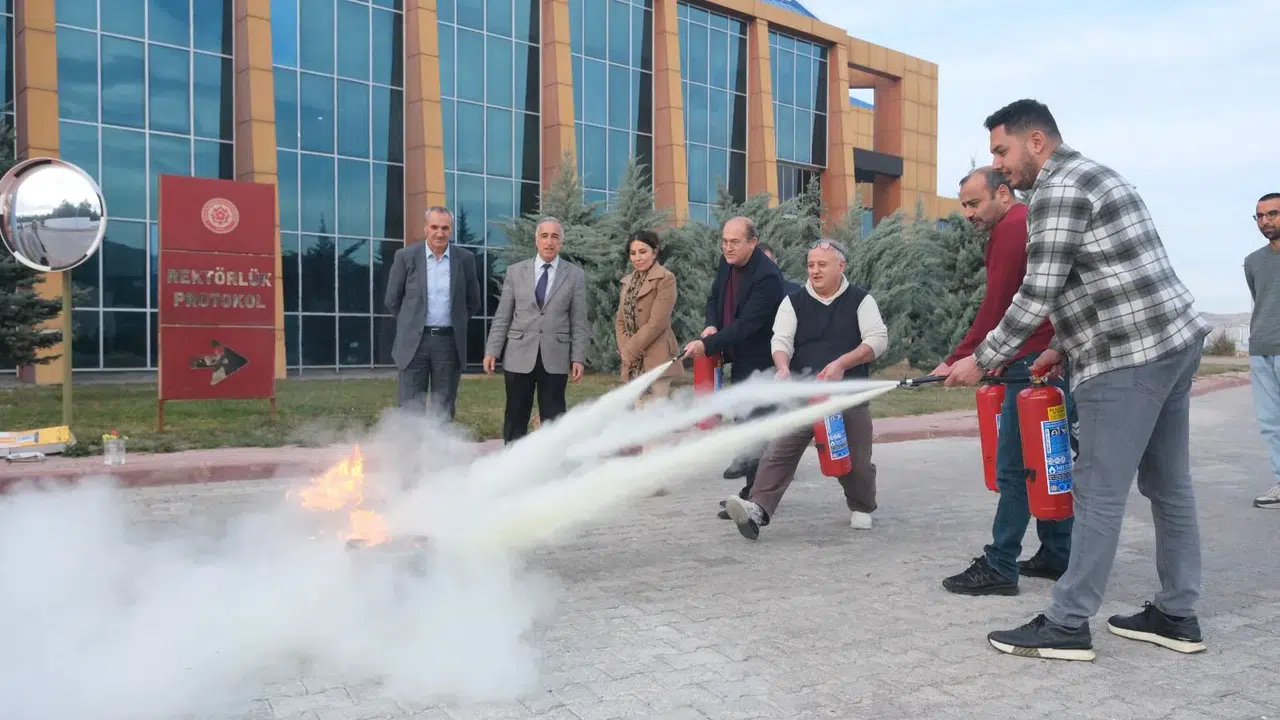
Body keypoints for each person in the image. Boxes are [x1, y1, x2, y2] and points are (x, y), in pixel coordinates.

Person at [945, 99, 1211, 661]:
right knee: (1169, 485)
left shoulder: (1059, 191)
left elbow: (1038, 290)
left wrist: (985, 357)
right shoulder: (1098, 175)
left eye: (1001, 150)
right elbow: (1109, 275)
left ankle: (1067, 623)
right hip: (1172, 342)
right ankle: (1177, 613)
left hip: (1128, 357)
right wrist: (1061, 347)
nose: (999, 163)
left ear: (1035, 140)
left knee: (1096, 490)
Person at [935, 166, 1077, 596]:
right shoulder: (1023, 222)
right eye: (964, 205)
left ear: (1003, 193)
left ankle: (999, 565)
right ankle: (1057, 554)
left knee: (1016, 467)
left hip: (1030, 361)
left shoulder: (1012, 228)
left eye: (975, 203)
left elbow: (998, 304)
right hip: (1045, 359)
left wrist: (961, 357)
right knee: (1048, 461)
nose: (968, 213)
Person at [723, 240, 889, 539]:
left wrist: (842, 363)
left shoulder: (861, 300)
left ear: (841, 266)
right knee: (778, 452)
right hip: (802, 396)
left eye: (822, 265)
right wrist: (783, 366)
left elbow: (877, 340)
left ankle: (862, 505)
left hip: (848, 396)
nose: (814, 271)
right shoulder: (794, 302)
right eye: (810, 265)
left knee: (857, 463)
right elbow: (781, 340)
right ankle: (757, 510)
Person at [682, 216, 784, 517]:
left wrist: (707, 346)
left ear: (752, 242)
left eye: (734, 242)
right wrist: (711, 325)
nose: (727, 247)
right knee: (744, 424)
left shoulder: (768, 278)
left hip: (761, 361)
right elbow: (714, 298)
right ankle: (751, 491)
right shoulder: (727, 263)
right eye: (724, 241)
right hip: (738, 357)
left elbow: (746, 326)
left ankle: (755, 500)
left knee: (756, 428)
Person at [483, 217, 588, 444]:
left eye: (555, 237)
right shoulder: (515, 272)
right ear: (536, 240)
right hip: (518, 354)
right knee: (515, 413)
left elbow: (579, 320)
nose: (549, 242)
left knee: (554, 416)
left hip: (555, 356)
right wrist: (492, 350)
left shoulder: (575, 275)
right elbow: (503, 316)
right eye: (544, 236)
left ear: (561, 242)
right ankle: (513, 463)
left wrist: (578, 357)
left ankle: (550, 465)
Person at [384, 206, 482, 419]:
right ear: (426, 228)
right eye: (435, 227)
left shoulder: (465, 259)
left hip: (448, 343)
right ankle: (410, 451)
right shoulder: (405, 257)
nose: (440, 233)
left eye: (445, 228)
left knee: (444, 406)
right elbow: (392, 300)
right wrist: (412, 323)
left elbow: (473, 302)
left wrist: (455, 323)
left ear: (451, 230)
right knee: (410, 406)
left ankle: (440, 452)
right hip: (413, 344)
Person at [717, 242, 800, 484]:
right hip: (745, 363)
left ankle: (761, 484)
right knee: (744, 417)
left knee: (765, 424)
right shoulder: (741, 291)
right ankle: (748, 471)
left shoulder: (792, 292)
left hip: (775, 366)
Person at [614, 229, 683, 403]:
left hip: (657, 356)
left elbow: (657, 323)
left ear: (655, 251)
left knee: (657, 416)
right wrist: (625, 350)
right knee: (638, 414)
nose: (637, 258)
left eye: (643, 252)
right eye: (633, 253)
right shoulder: (627, 281)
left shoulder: (666, 279)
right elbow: (620, 320)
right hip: (632, 361)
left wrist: (630, 350)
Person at [1246, 193, 1280, 509]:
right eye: (1260, 216)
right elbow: (1261, 299)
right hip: (1261, 348)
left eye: (1272, 214)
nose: (1265, 221)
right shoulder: (1253, 261)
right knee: (1270, 422)